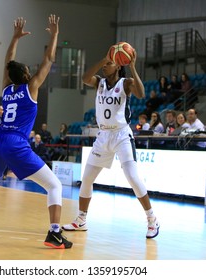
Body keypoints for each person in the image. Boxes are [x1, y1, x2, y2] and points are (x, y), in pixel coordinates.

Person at [0, 15, 72, 249]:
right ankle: (55, 233)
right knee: (54, 186)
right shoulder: (31, 88)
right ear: (28, 76)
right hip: (15, 143)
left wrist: (14, 38)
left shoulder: (7, 89)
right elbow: (49, 59)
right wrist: (54, 35)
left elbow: (7, 62)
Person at [62, 46, 160, 239]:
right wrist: (103, 59)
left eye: (109, 64)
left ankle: (152, 219)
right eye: (105, 64)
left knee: (132, 177)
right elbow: (84, 78)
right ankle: (81, 219)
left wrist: (132, 66)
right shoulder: (98, 82)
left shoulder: (125, 83)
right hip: (103, 136)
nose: (105, 67)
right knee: (87, 179)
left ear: (118, 66)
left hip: (122, 135)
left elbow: (141, 94)